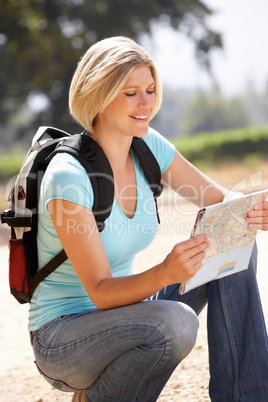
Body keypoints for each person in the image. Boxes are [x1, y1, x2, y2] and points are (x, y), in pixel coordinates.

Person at [29, 36, 268, 402]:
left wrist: (250, 209)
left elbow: (222, 202)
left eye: (151, 90)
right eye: (131, 94)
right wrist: (166, 273)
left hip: (127, 313)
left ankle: (246, 396)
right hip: (64, 337)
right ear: (100, 96)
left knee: (234, 234)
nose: (147, 104)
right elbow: (101, 291)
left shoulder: (149, 146)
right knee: (176, 323)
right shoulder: (68, 177)